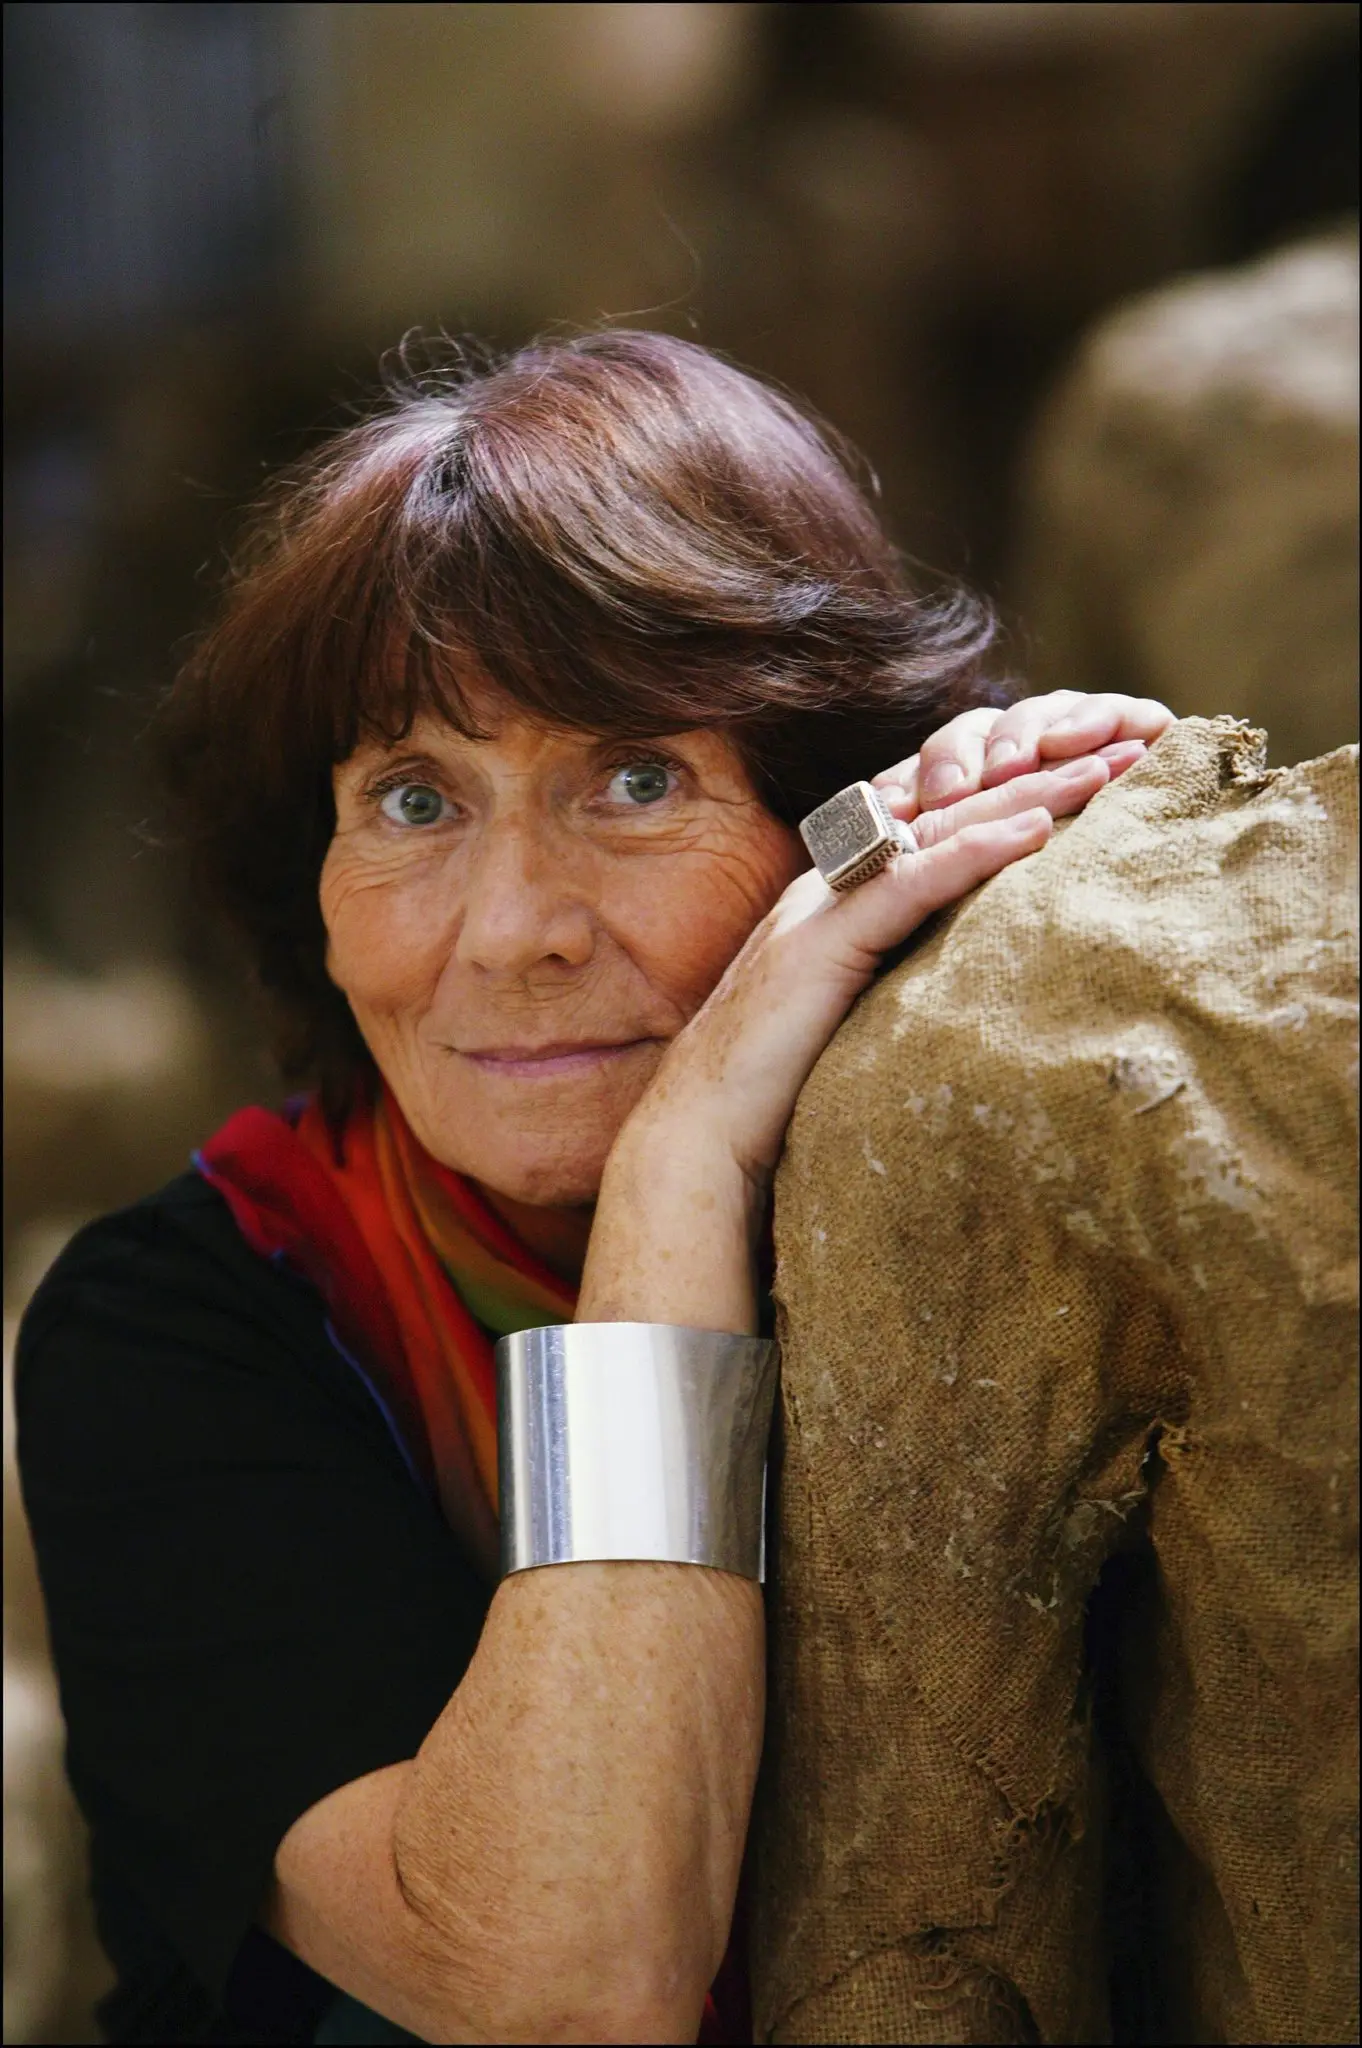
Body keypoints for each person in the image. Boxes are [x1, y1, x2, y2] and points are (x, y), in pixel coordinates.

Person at [15, 329, 1173, 2047]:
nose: (511, 929)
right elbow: (563, 1984)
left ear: (828, 821)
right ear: (309, 893)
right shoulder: (177, 1325)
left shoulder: (1021, 1214)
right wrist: (678, 1176)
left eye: (634, 779)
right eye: (413, 800)